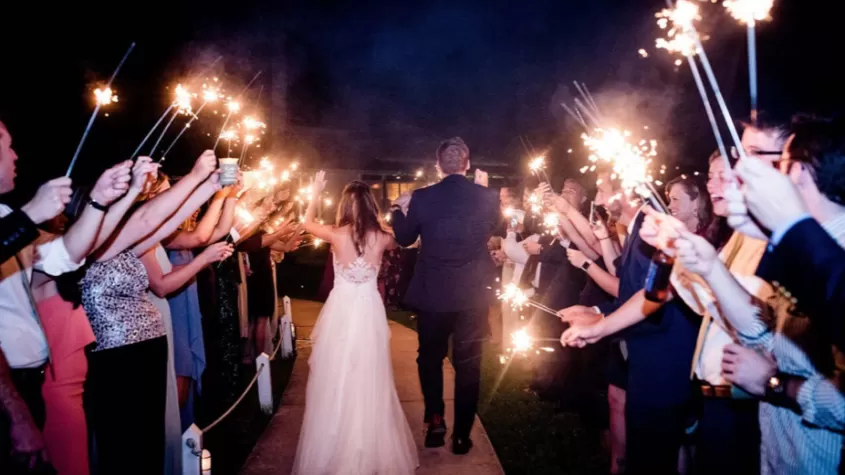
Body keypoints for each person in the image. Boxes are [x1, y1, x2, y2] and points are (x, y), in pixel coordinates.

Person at [0, 120, 133, 473]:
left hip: (31, 382)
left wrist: (98, 201)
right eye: (6, 144)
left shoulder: (5, 216)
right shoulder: (16, 220)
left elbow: (65, 256)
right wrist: (31, 215)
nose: (15, 155)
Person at [81, 152, 220, 475]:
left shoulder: (129, 239)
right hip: (116, 356)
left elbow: (165, 223)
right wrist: (196, 176)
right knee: (126, 448)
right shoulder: (95, 241)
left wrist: (208, 187)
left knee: (149, 446)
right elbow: (148, 220)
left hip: (149, 348)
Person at [292, 171, 418, 475]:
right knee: (370, 372)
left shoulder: (336, 234)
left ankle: (335, 445)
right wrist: (402, 209)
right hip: (368, 309)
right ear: (370, 206)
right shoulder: (383, 237)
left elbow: (306, 224)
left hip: (342, 308)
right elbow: (409, 241)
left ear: (345, 205)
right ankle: (368, 444)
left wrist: (315, 192)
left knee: (337, 373)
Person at [390, 137, 500, 454]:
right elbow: (497, 228)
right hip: (472, 295)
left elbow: (403, 236)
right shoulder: (488, 197)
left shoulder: (423, 198)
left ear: (438, 165)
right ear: (467, 164)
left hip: (434, 295)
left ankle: (435, 420)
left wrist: (398, 208)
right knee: (469, 364)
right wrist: (483, 194)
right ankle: (463, 435)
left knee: (430, 358)